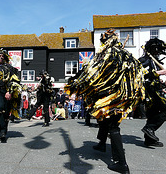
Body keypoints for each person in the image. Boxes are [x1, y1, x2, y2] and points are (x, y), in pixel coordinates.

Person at [64, 29, 145, 173]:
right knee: (104, 120)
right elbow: (138, 74)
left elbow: (91, 73)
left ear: (106, 41)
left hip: (111, 97)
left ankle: (122, 164)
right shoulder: (127, 55)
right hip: (122, 97)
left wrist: (76, 84)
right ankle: (102, 143)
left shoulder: (106, 55)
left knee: (113, 127)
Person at [0, 49, 21, 143]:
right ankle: (2, 131)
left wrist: (9, 91)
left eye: (2, 56)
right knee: (0, 109)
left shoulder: (9, 68)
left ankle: (4, 130)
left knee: (6, 112)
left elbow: (14, 80)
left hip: (7, 91)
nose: (0, 58)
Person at [139, 38, 166, 147]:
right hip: (149, 91)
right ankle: (149, 128)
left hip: (156, 89)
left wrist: (162, 84)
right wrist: (159, 72)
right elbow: (141, 75)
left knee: (153, 114)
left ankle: (149, 139)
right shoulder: (144, 60)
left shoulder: (154, 61)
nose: (158, 52)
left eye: (159, 50)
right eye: (156, 49)